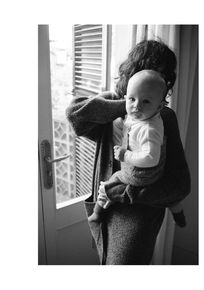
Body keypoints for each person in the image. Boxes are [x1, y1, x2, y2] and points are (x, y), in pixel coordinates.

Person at [66, 39, 191, 265]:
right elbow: (75, 116)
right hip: (103, 209)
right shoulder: (112, 108)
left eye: (161, 79)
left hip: (136, 220)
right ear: (132, 72)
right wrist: (126, 104)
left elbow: (180, 184)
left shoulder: (164, 118)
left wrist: (126, 193)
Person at [88, 69, 186, 227]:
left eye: (146, 101)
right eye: (132, 99)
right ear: (125, 98)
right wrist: (121, 124)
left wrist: (125, 155)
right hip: (156, 173)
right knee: (171, 198)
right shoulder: (145, 116)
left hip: (142, 173)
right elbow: (130, 122)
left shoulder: (149, 129)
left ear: (160, 106)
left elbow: (150, 158)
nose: (136, 106)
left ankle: (97, 213)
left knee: (109, 184)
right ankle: (179, 214)